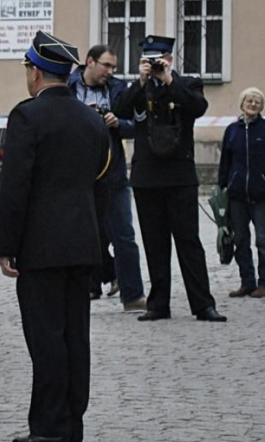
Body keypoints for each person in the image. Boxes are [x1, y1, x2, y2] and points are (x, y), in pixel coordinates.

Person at [0, 31, 110, 442]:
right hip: (82, 243)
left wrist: (6, 246)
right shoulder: (92, 119)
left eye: (27, 68)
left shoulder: (27, 117)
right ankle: (73, 424)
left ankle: (49, 426)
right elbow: (102, 185)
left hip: (41, 246)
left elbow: (16, 188)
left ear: (36, 71)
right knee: (76, 337)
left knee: (45, 339)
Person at [113, 35, 227, 322]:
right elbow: (119, 109)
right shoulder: (137, 89)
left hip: (179, 175)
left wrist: (168, 81)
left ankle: (203, 304)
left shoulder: (186, 84)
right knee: (154, 243)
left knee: (188, 242)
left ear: (170, 59)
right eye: (148, 60)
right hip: (147, 176)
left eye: (158, 59)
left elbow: (198, 107)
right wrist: (140, 82)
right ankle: (158, 304)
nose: (153, 65)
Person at [68, 45, 147, 311]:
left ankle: (133, 296)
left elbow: (138, 126)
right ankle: (78, 293)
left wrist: (118, 124)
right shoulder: (69, 87)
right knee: (77, 236)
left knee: (124, 235)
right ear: (90, 62)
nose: (111, 72)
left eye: (114, 67)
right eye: (107, 66)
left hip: (112, 173)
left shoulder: (118, 90)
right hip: (77, 175)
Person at [218, 87, 265, 298]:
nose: (253, 104)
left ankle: (263, 283)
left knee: (263, 240)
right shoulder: (231, 130)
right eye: (249, 100)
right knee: (240, 241)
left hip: (261, 194)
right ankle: (247, 281)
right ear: (242, 103)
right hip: (236, 195)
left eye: (257, 101)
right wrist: (222, 186)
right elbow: (225, 161)